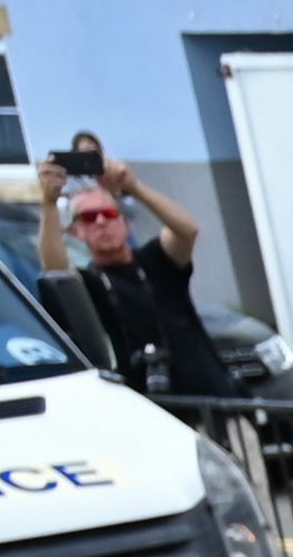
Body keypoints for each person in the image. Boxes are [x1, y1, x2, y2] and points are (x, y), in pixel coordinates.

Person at [38, 148, 223, 405]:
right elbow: (56, 271)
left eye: (110, 214)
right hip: (143, 406)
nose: (102, 222)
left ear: (125, 223)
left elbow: (187, 230)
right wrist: (49, 202)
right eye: (90, 217)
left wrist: (132, 186)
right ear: (76, 232)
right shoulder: (89, 282)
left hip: (207, 405)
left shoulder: (156, 261)